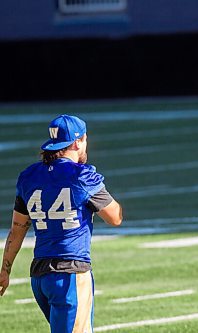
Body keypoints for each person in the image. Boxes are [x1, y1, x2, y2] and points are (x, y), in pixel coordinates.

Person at [0, 115, 123, 333]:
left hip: (40, 276)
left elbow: (17, 229)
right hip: (69, 273)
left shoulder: (28, 176)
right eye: (85, 139)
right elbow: (115, 217)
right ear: (77, 142)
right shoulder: (81, 175)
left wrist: (5, 269)